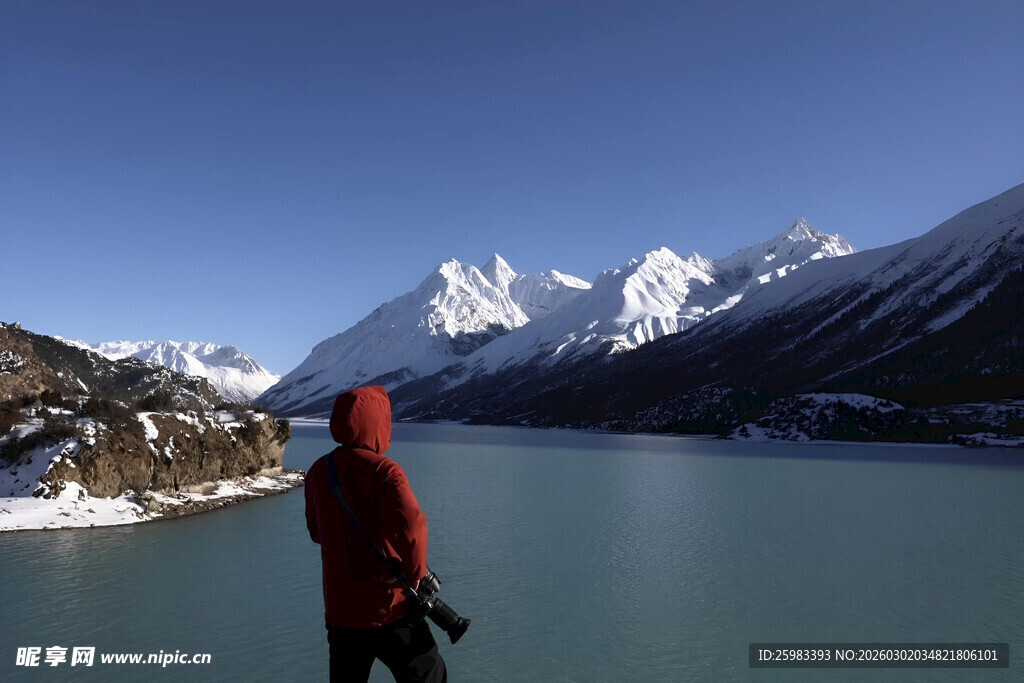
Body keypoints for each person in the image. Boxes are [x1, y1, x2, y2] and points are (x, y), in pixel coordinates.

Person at [305, 385, 447, 683]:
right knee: (429, 673)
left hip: (341, 613)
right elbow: (414, 526)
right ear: (379, 423)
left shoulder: (319, 470)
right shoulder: (386, 470)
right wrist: (417, 572)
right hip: (389, 608)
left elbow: (316, 533)